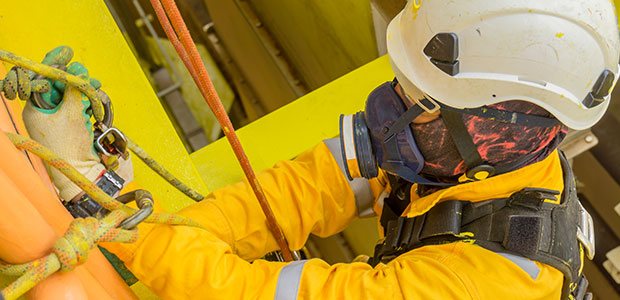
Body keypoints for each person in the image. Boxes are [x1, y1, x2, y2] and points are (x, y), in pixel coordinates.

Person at [20, 0, 620, 299]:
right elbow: (297, 192)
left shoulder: (487, 282)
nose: (394, 108)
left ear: (494, 128)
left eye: (421, 99)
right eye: (402, 84)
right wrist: (131, 219)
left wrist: (113, 218)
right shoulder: (448, 156)